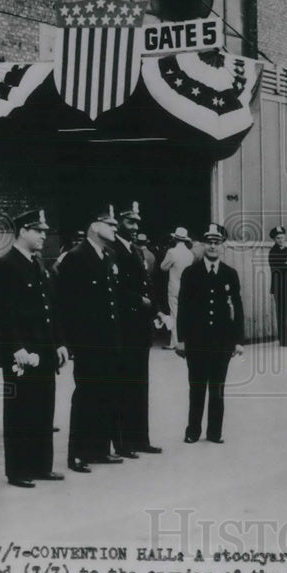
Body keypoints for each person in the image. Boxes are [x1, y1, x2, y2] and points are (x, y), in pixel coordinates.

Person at [0, 209, 69, 488]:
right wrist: (16, 347)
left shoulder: (37, 264)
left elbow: (51, 308)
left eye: (44, 231)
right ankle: (19, 469)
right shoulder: (4, 266)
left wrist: (58, 342)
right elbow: (4, 311)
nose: (43, 236)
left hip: (43, 348)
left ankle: (41, 464)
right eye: (39, 231)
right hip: (21, 352)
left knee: (43, 407)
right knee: (20, 410)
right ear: (23, 231)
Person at [57, 205, 124, 473]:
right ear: (95, 227)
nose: (114, 229)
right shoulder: (76, 257)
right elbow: (68, 304)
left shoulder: (107, 255)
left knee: (105, 393)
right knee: (85, 396)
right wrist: (73, 343)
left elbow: (111, 302)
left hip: (109, 339)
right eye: (111, 225)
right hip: (88, 341)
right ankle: (77, 454)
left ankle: (99, 449)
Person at [176, 223, 245, 444]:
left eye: (217, 242)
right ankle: (192, 431)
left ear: (222, 246)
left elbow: (237, 307)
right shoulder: (191, 273)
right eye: (209, 242)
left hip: (221, 342)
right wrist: (181, 340)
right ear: (203, 245)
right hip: (197, 342)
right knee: (196, 388)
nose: (213, 246)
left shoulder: (229, 274)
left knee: (217, 389)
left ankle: (215, 433)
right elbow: (183, 308)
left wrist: (238, 340)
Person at [112, 201, 162, 457]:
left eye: (137, 223)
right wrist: (138, 301)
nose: (134, 227)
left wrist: (156, 311)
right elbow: (116, 290)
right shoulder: (112, 250)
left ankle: (140, 438)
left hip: (140, 328)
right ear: (119, 222)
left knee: (140, 385)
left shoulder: (136, 250)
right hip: (125, 326)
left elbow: (146, 284)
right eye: (130, 222)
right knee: (125, 385)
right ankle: (123, 442)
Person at [160, 228, 195, 348]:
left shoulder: (172, 252)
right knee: (186, 313)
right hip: (187, 286)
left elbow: (163, 267)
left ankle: (174, 342)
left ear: (175, 239)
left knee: (174, 313)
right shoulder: (190, 253)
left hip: (174, 286)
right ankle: (186, 340)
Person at [268, 226, 287, 346]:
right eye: (278, 238)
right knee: (281, 314)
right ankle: (283, 340)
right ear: (274, 239)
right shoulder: (273, 252)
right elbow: (278, 268)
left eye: (282, 237)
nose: (280, 240)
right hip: (279, 287)